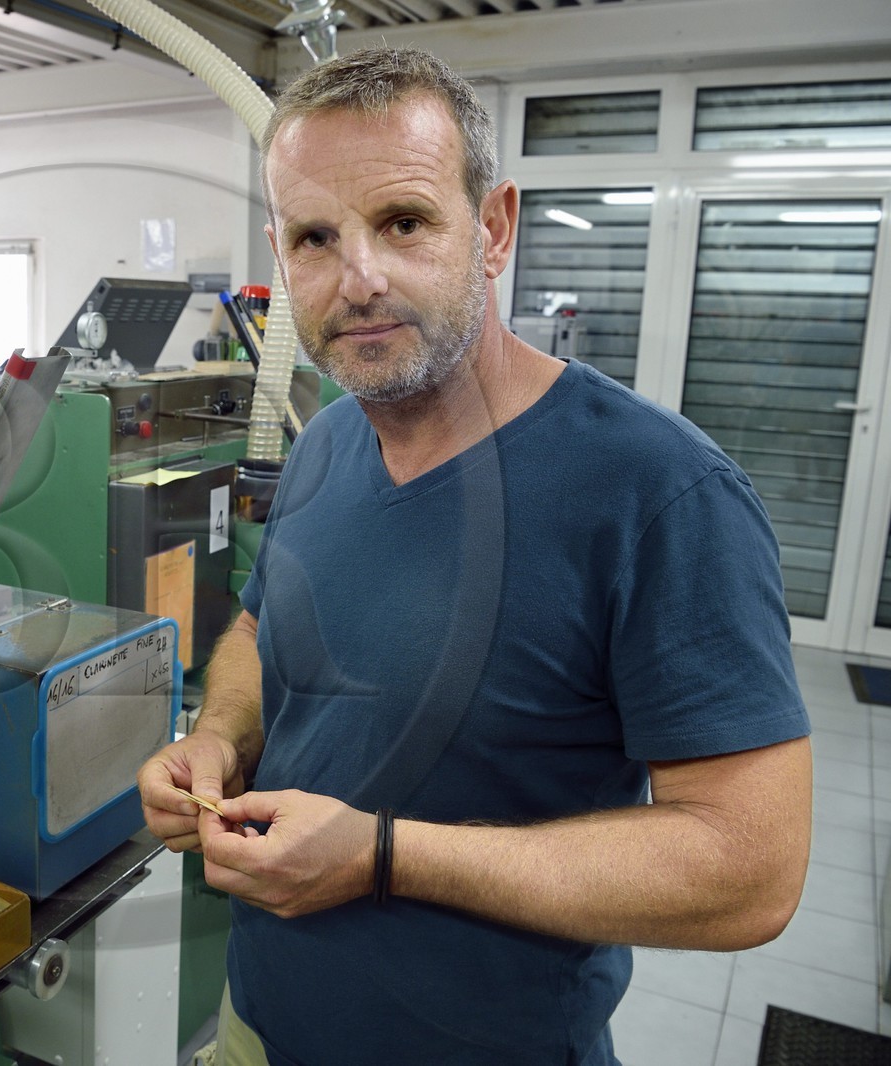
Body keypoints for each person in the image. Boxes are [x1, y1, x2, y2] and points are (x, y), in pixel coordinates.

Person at [138, 48, 812, 1065]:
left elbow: (748, 871)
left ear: (492, 229)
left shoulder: (661, 495)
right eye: (316, 238)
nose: (360, 279)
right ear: (282, 256)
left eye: (404, 222)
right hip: (257, 1028)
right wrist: (221, 736)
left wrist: (381, 857)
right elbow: (258, 629)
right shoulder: (327, 441)